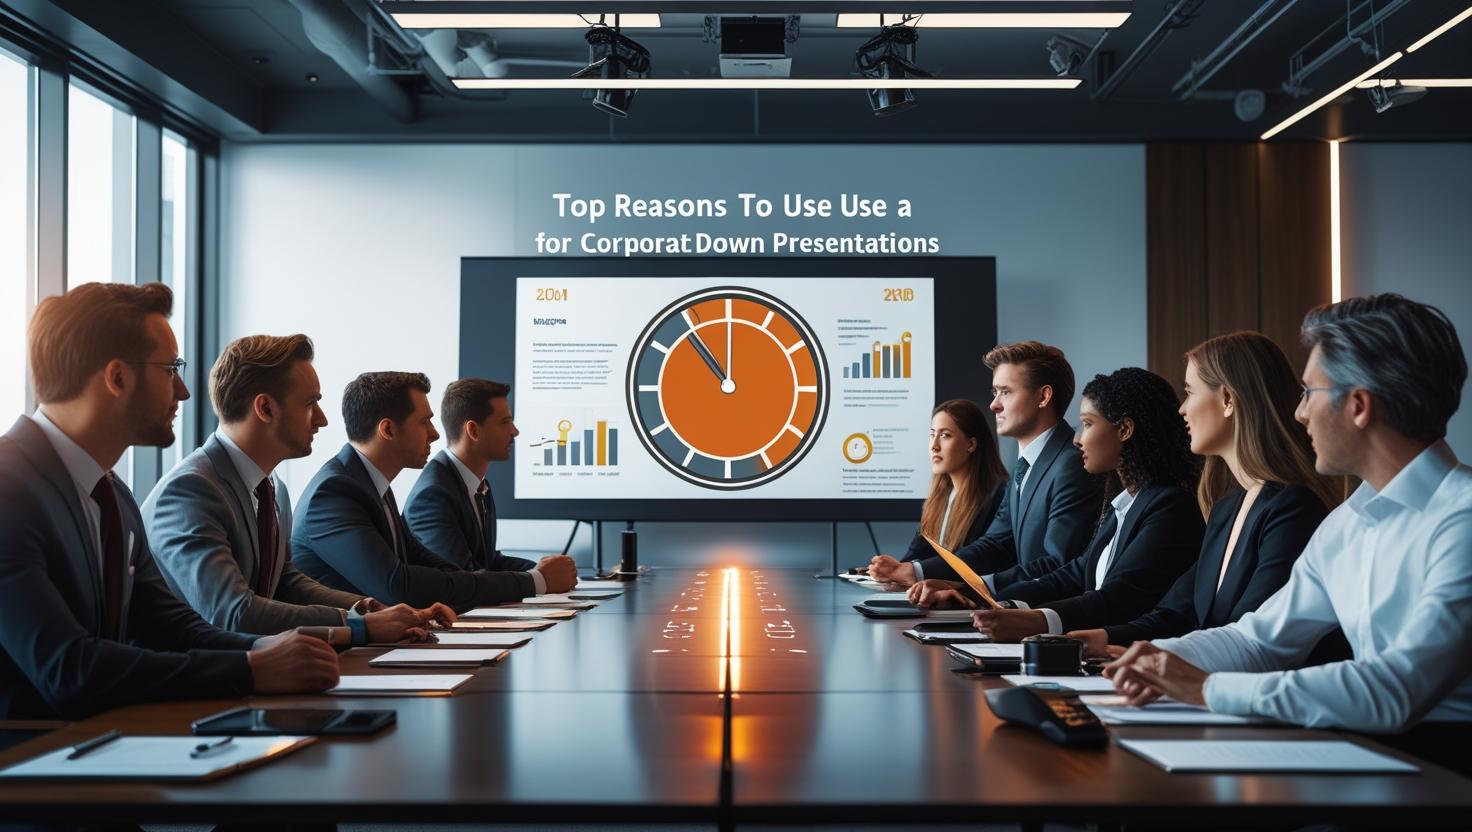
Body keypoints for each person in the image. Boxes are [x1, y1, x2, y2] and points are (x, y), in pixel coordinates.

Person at [1106, 294, 1472, 775]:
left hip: (1446, 776)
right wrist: (1159, 659)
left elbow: (1395, 690)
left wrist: (1205, 688)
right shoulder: (1345, 523)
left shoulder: (1461, 519)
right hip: (1376, 758)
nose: (1299, 413)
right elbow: (1260, 641)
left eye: (1308, 393)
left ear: (1358, 406)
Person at [0, 283, 338, 719]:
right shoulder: (9, 490)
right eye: (169, 369)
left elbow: (172, 626)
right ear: (117, 377)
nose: (183, 391)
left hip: (101, 744)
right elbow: (68, 668)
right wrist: (250, 667)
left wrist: (269, 648)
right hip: (26, 767)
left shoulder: (113, 494)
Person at [143, 334, 455, 644]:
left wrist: (364, 608)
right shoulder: (190, 490)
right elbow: (233, 613)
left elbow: (283, 581)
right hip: (199, 683)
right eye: (310, 404)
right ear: (265, 408)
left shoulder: (273, 488)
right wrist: (358, 626)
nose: (322, 420)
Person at [1067, 332, 1340, 656]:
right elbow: (1176, 613)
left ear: (1227, 399)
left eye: (1190, 392)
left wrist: (1157, 657)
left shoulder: (1294, 510)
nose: (1182, 409)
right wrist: (1105, 638)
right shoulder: (1224, 509)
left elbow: (1250, 638)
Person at [911, 367, 1204, 642]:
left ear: (1125, 430)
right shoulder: (1124, 505)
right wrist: (980, 595)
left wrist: (1039, 620)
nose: (1077, 439)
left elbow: (1118, 598)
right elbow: (1074, 574)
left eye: (1088, 424)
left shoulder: (1169, 508)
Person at [292, 372, 577, 611]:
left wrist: (536, 576)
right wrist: (535, 581)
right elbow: (398, 585)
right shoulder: (334, 492)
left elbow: (440, 569)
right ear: (388, 429)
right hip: (343, 659)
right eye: (424, 422)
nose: (435, 433)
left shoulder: (371, 485)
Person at [870, 341, 1102, 586]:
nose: (994, 405)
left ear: (1043, 397)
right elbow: (995, 545)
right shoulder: (1025, 464)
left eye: (1006, 392)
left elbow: (1057, 564)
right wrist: (917, 571)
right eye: (995, 392)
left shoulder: (1071, 464)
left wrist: (975, 590)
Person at [405, 379, 538, 572]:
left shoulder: (479, 486)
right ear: (473, 430)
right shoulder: (432, 497)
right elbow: (462, 578)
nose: (515, 432)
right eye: (505, 422)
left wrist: (542, 570)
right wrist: (539, 580)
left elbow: (488, 561)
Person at [863, 399, 1005, 571]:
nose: (934, 446)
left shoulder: (995, 496)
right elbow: (917, 556)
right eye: (932, 434)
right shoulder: (940, 497)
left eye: (945, 435)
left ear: (971, 444)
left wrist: (908, 572)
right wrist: (893, 569)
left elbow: (979, 563)